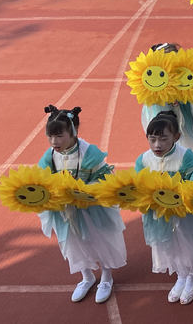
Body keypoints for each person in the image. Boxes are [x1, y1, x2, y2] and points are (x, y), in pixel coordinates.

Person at [37, 105, 126, 303]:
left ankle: (106, 277)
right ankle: (86, 277)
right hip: (65, 211)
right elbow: (41, 178)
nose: (54, 142)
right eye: (50, 137)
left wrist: (85, 191)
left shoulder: (89, 153)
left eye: (60, 136)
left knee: (99, 239)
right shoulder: (50, 155)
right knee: (73, 242)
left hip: (92, 209)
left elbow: (105, 179)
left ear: (73, 132)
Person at [135, 110, 193, 305]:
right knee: (169, 242)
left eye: (163, 139)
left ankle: (192, 275)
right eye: (152, 140)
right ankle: (181, 274)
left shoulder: (185, 157)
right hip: (159, 213)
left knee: (187, 240)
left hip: (182, 212)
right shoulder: (143, 160)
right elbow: (140, 185)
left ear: (176, 137)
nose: (157, 145)